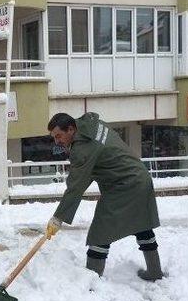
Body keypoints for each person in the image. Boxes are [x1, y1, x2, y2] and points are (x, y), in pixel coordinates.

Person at [44, 112, 164, 281]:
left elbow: (75, 187)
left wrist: (58, 218)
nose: (57, 141)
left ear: (71, 129)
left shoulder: (83, 149)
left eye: (59, 136)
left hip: (124, 185)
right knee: (141, 224)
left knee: (100, 231)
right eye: (54, 137)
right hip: (139, 177)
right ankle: (154, 271)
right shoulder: (92, 125)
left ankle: (92, 281)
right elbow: (93, 167)